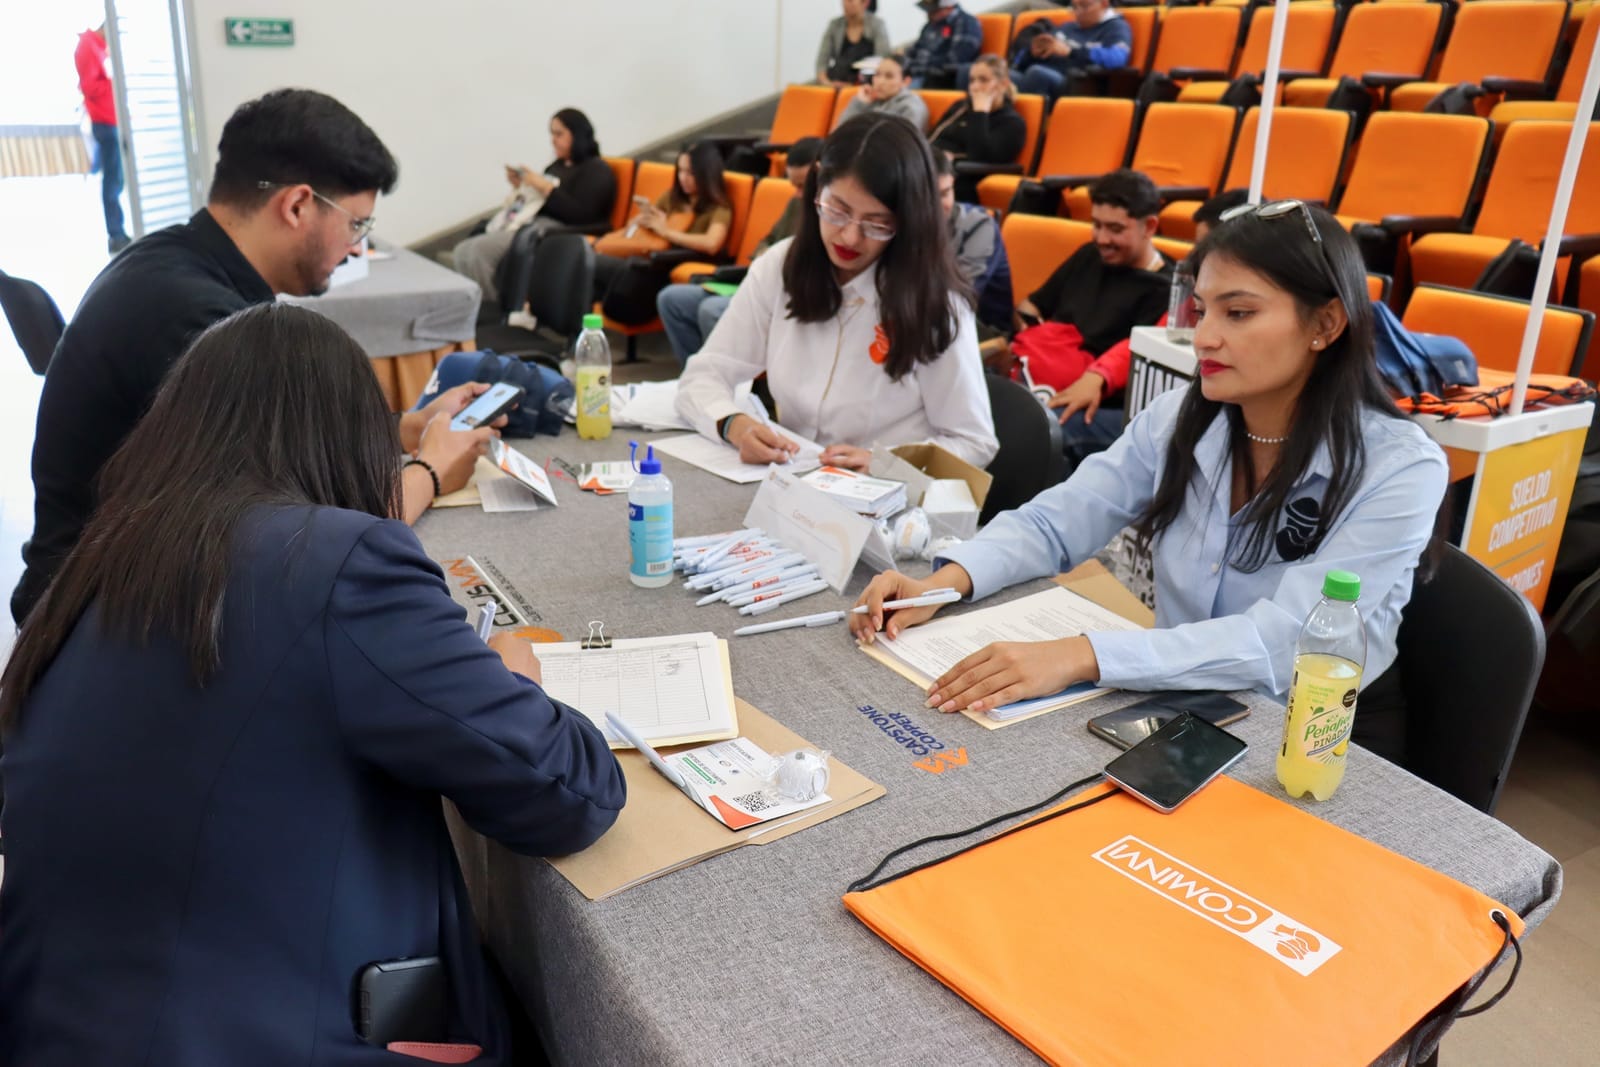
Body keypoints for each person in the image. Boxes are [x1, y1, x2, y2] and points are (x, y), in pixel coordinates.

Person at [0, 303, 625, 1064]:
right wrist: (512, 678)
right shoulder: (339, 561)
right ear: (349, 437)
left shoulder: (98, 568)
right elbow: (569, 791)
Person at [852, 201, 1449, 762]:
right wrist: (945, 583)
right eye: (1201, 310)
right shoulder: (1180, 420)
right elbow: (1058, 520)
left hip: (1319, 731)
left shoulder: (1400, 468)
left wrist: (1082, 655)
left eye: (1237, 313)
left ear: (1325, 322)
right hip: (1186, 695)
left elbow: (1286, 643)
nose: (1205, 336)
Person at [11, 88, 496, 628]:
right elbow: (319, 533)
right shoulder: (200, 320)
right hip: (98, 624)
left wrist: (408, 427)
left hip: (113, 584)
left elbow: (287, 433)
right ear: (296, 205)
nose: (357, 247)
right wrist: (431, 469)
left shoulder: (171, 261)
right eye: (357, 225)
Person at [674, 115, 998, 471]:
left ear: (908, 222)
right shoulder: (782, 266)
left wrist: (885, 463)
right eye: (837, 211)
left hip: (889, 502)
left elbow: (973, 442)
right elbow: (704, 376)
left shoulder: (935, 302)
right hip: (795, 484)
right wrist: (733, 424)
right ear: (816, 190)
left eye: (877, 225)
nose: (849, 238)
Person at [1047, 186, 1250, 470]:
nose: (1195, 258)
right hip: (1170, 411)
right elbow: (1159, 330)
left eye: (1205, 247)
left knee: (1058, 429)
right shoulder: (1197, 293)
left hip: (1204, 425)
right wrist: (1099, 375)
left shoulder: (1175, 285)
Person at [1005, 169, 1172, 472]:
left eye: (1115, 229)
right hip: (1040, 378)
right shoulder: (1088, 256)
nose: (1102, 238)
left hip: (1098, 400)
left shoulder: (1165, 289)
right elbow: (1031, 306)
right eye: (1096, 225)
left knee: (1038, 432)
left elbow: (1136, 365)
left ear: (1149, 226)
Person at [656, 138, 823, 364]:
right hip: (760, 280)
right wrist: (764, 254)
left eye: (804, 185)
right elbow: (768, 239)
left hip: (785, 291)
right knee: (671, 299)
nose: (797, 193)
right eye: (793, 185)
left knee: (711, 310)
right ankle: (694, 375)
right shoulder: (796, 204)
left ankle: (727, 384)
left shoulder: (830, 219)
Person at [451, 108, 615, 309]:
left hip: (552, 229)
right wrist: (521, 187)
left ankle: (493, 314)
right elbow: (536, 203)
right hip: (532, 222)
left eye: (559, 134)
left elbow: (583, 215)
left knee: (477, 252)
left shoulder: (597, 169)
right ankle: (476, 312)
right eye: (552, 134)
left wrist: (545, 187)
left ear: (577, 134)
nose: (553, 140)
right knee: (462, 250)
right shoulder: (555, 167)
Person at [591, 142, 732, 324]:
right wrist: (643, 220)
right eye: (680, 171)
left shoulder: (719, 207)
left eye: (691, 173)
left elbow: (711, 243)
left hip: (664, 265)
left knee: (594, 265)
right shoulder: (673, 197)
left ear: (706, 175)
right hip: (646, 256)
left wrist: (666, 231)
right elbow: (637, 227)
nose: (683, 178)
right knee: (588, 267)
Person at [930, 55, 1027, 203]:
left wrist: (980, 113)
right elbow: (932, 137)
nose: (975, 87)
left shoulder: (1013, 122)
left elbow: (979, 157)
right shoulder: (960, 107)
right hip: (935, 167)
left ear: (1003, 84)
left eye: (983, 80)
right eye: (972, 80)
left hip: (965, 179)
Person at [934, 150, 1012, 331]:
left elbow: (955, 300)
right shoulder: (905, 222)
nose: (938, 205)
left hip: (980, 331)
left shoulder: (980, 226)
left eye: (945, 193)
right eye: (929, 195)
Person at [75, 22, 129, 253]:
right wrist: (113, 83)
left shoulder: (98, 47)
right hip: (104, 121)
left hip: (113, 119)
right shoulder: (88, 46)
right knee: (112, 180)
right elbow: (89, 87)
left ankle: (118, 232)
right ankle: (116, 235)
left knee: (116, 178)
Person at [1012, 0, 1133, 100]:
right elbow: (1019, 60)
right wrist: (1032, 52)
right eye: (1074, 7)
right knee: (1005, 75)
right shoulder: (1068, 27)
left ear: (1104, 4)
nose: (1078, 12)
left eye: (1085, 6)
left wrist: (1070, 52)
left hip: (1077, 83)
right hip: (1042, 72)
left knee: (1037, 74)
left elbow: (1117, 59)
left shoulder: (1116, 27)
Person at [834, 54, 931, 133]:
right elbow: (839, 132)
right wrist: (859, 103)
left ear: (906, 82)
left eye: (889, 76)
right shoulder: (870, 99)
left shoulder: (911, 108)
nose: (880, 82)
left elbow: (901, 146)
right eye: (877, 74)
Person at [906, 1, 984, 88]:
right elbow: (914, 51)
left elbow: (956, 59)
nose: (929, 14)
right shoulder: (929, 26)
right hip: (916, 75)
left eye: (934, 11)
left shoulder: (967, 23)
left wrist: (922, 64)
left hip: (941, 80)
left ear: (949, 6)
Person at [817, 0, 893, 87]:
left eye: (850, 1)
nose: (845, 4)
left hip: (866, 84)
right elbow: (821, 62)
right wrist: (826, 83)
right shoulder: (834, 25)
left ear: (865, 3)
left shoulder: (877, 25)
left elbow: (883, 60)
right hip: (836, 82)